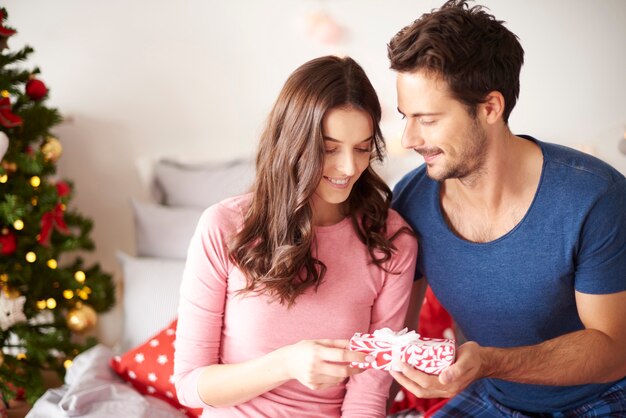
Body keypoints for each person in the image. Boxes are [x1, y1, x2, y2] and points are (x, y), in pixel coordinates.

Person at [386, 1, 626, 416]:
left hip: (601, 397)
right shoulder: (409, 202)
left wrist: (490, 361)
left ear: (490, 108)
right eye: (404, 116)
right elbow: (397, 332)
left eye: (427, 119)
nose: (408, 139)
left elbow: (614, 352)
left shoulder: (595, 198)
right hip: (493, 397)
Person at [173, 55, 418, 418]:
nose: (349, 167)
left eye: (363, 148)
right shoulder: (224, 227)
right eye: (329, 148)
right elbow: (191, 386)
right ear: (292, 142)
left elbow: (368, 395)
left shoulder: (391, 240)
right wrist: (286, 363)